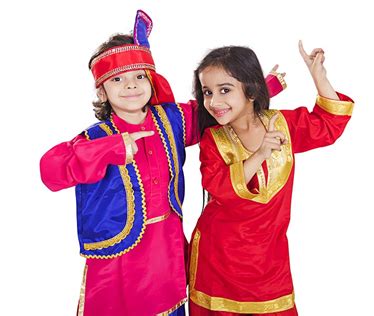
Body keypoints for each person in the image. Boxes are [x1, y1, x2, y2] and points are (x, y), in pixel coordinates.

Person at [39, 10, 285, 316]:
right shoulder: (95, 138)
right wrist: (112, 148)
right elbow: (51, 171)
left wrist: (262, 88)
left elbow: (217, 111)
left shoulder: (172, 119)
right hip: (118, 260)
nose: (131, 86)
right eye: (118, 79)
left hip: (166, 251)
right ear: (102, 90)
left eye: (139, 76)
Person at [188, 42, 354, 315]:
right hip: (218, 258)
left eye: (225, 90)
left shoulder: (283, 125)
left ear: (251, 91)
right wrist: (260, 153)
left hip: (269, 260)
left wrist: (318, 77)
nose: (214, 102)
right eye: (207, 92)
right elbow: (217, 187)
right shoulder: (213, 140)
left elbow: (328, 126)